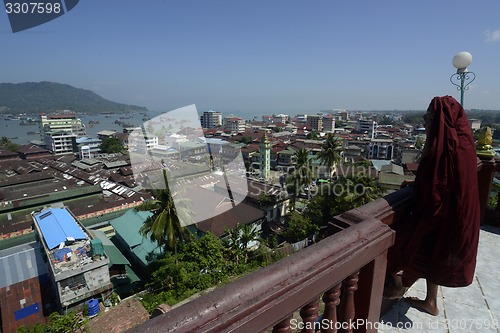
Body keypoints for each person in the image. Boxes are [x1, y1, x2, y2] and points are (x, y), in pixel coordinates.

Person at [384, 95, 480, 316]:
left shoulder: (451, 147)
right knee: (435, 250)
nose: (426, 120)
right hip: (456, 210)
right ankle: (431, 302)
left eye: (429, 116)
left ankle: (396, 285)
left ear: (441, 120)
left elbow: (436, 184)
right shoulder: (461, 140)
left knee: (409, 244)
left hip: (447, 210)